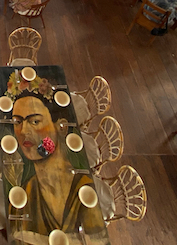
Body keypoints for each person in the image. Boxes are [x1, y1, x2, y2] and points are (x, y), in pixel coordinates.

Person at [8, 85, 107, 237]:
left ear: (61, 127)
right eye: (17, 122)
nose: (23, 131)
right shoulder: (22, 197)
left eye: (35, 122)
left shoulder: (86, 194)